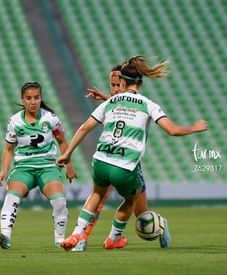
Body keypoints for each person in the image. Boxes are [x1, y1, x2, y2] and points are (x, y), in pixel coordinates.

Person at [56, 56, 208, 250]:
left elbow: (85, 128)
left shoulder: (111, 102)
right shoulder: (148, 104)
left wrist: (67, 154)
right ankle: (112, 239)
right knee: (130, 200)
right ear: (141, 82)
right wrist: (195, 127)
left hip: (101, 161)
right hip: (125, 165)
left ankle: (77, 235)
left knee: (102, 197)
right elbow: (172, 130)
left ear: (122, 82)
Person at [70, 65, 171, 251]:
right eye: (112, 84)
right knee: (99, 198)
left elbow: (130, 106)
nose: (116, 88)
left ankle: (160, 225)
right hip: (109, 157)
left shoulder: (127, 102)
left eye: (118, 84)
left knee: (141, 214)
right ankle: (82, 238)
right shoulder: (112, 103)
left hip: (129, 163)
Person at [0, 81, 77, 249]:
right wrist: (3, 171)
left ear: (41, 98)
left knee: (59, 201)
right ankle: (6, 236)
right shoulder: (15, 122)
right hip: (24, 167)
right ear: (23, 100)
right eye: (29, 98)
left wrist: (69, 167)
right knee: (12, 196)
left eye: (36, 98)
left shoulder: (51, 119)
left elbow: (62, 142)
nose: (33, 102)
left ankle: (60, 240)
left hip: (48, 166)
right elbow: (9, 149)